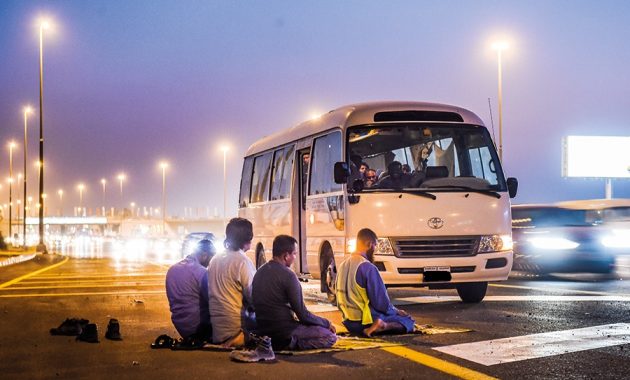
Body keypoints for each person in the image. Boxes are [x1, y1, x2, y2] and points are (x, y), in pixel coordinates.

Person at [253, 235, 337, 350]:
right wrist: (327, 323)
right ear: (286, 256)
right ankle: (291, 343)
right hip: (284, 332)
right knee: (330, 336)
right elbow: (303, 315)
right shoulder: (288, 276)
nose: (295, 257)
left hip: (262, 330)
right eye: (294, 254)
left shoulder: (259, 272)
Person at [336, 228, 415, 337]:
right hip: (365, 321)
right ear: (369, 244)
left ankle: (377, 325)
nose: (374, 250)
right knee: (408, 321)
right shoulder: (368, 267)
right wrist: (396, 311)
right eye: (375, 246)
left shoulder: (342, 265)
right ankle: (382, 326)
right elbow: (381, 304)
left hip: (348, 323)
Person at [208, 218, 257, 347]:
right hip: (236, 330)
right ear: (248, 238)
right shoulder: (242, 261)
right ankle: (241, 338)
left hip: (217, 332)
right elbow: (254, 297)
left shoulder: (214, 259)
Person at [165, 239, 216, 342]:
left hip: (181, 327)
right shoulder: (201, 272)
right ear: (204, 255)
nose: (211, 263)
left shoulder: (172, 270)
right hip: (199, 329)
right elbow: (214, 301)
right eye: (211, 258)